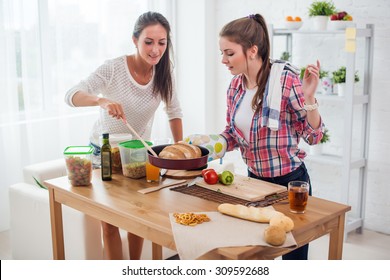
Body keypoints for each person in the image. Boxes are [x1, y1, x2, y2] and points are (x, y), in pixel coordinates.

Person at [191, 13, 323, 260]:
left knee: (293, 257)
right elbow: (233, 134)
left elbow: (313, 136)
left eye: (229, 53)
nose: (223, 60)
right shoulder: (235, 87)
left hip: (290, 184)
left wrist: (309, 98)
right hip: (254, 183)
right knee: (259, 254)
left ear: (252, 51)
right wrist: (207, 146)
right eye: (222, 53)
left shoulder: (285, 80)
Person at [64, 11, 183, 260]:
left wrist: (179, 152)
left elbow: (174, 111)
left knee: (137, 219)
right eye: (148, 42)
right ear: (134, 40)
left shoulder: (164, 72)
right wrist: (101, 100)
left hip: (137, 156)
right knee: (109, 224)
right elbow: (72, 95)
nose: (155, 50)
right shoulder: (113, 68)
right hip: (104, 154)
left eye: (162, 43)